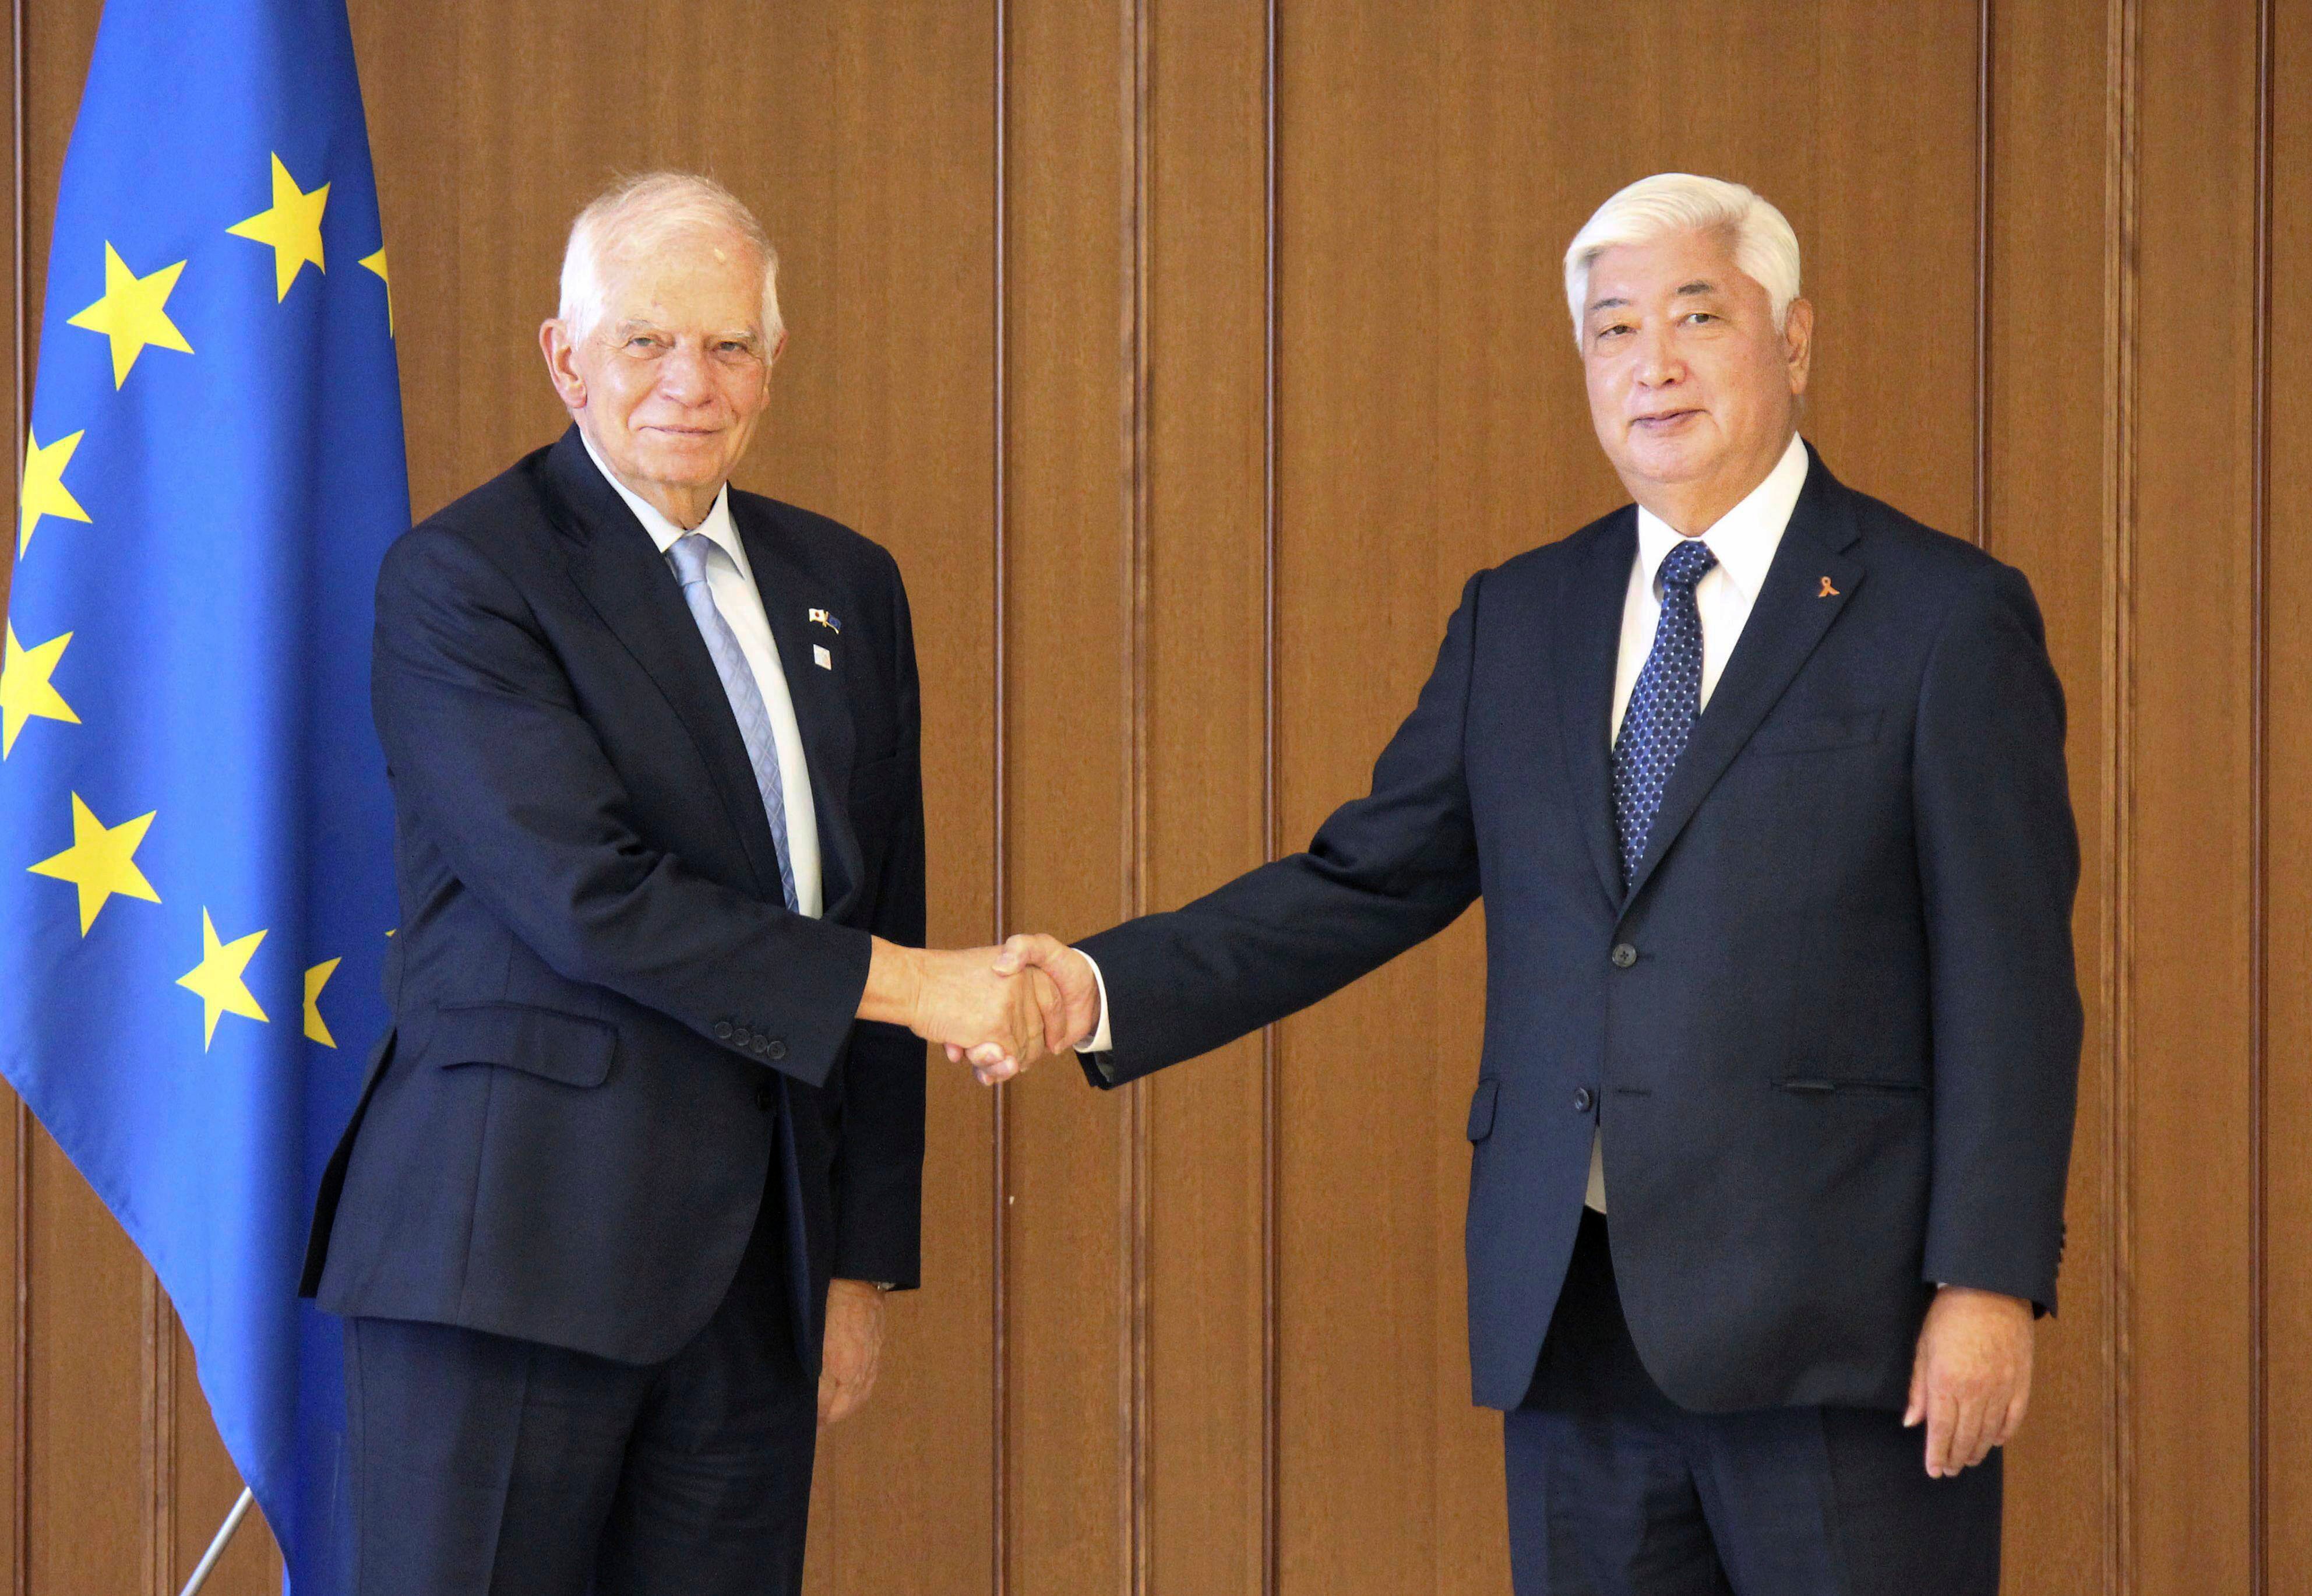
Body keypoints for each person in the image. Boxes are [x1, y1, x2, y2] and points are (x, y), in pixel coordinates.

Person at [992, 172, 2081, 1594]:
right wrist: (1092, 985)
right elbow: (1360, 879)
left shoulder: (1941, 614)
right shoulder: (1523, 612)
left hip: (1843, 1333)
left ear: (1793, 340)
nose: (1655, 362)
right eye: (1614, 329)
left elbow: (2010, 982)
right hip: (1569, 1323)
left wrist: (1987, 1279)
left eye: (1698, 315)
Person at [301, 172, 1053, 1595]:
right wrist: (928, 984)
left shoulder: (849, 583)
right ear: (564, 358)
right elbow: (593, 896)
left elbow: (874, 894)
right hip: (511, 1264)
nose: (689, 385)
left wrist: (858, 1260)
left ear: (773, 366)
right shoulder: (466, 578)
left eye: (730, 346)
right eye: (646, 342)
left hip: (757, 1285)